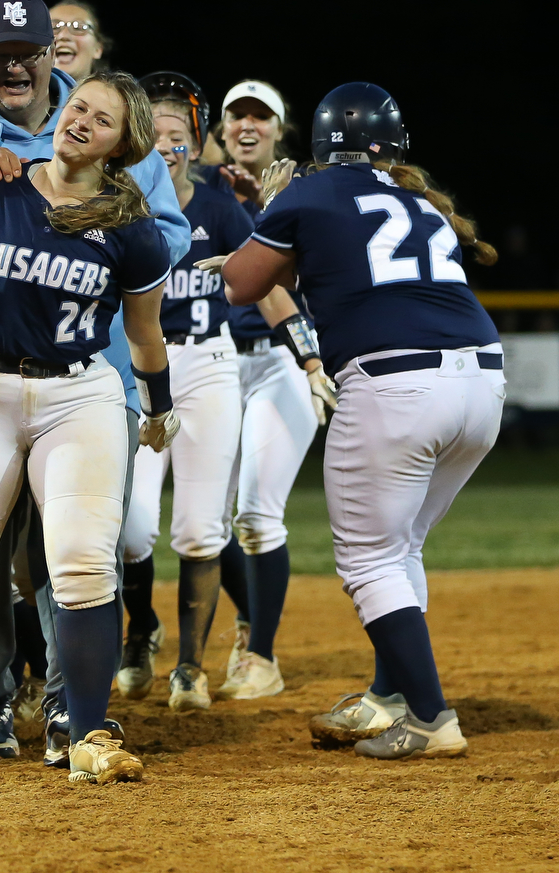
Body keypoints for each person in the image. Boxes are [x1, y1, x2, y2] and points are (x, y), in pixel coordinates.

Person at [0, 0, 190, 764]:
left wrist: (158, 401)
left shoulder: (125, 199)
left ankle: (77, 715)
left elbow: (158, 265)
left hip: (85, 380)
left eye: (32, 53)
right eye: (3, 53)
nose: (19, 66)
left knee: (84, 552)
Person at [223, 82, 502, 759]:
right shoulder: (421, 201)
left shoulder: (308, 194)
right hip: (483, 381)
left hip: (397, 384)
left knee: (371, 557)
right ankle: (391, 693)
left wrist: (268, 210)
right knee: (400, 545)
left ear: (319, 144)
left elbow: (240, 283)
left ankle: (432, 719)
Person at [116, 72, 299, 712]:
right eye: (153, 136)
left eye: (176, 136)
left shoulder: (221, 207)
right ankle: (141, 632)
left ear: (196, 144)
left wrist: (307, 355)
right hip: (139, 373)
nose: (166, 147)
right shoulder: (115, 203)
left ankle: (189, 666)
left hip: (209, 365)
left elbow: (269, 283)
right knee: (131, 530)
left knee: (200, 528)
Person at [204, 79, 333, 702]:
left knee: (255, 514)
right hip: (216, 362)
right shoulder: (201, 188)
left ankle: (261, 657)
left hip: (285, 361)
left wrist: (314, 359)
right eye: (237, 116)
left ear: (281, 130)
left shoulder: (309, 192)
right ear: (222, 128)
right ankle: (251, 616)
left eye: (262, 117)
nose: (248, 125)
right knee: (204, 521)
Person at [49, 0, 112, 82]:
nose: (64, 36)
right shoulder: (25, 93)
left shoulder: (123, 94)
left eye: (78, 28)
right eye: (54, 27)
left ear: (98, 49)